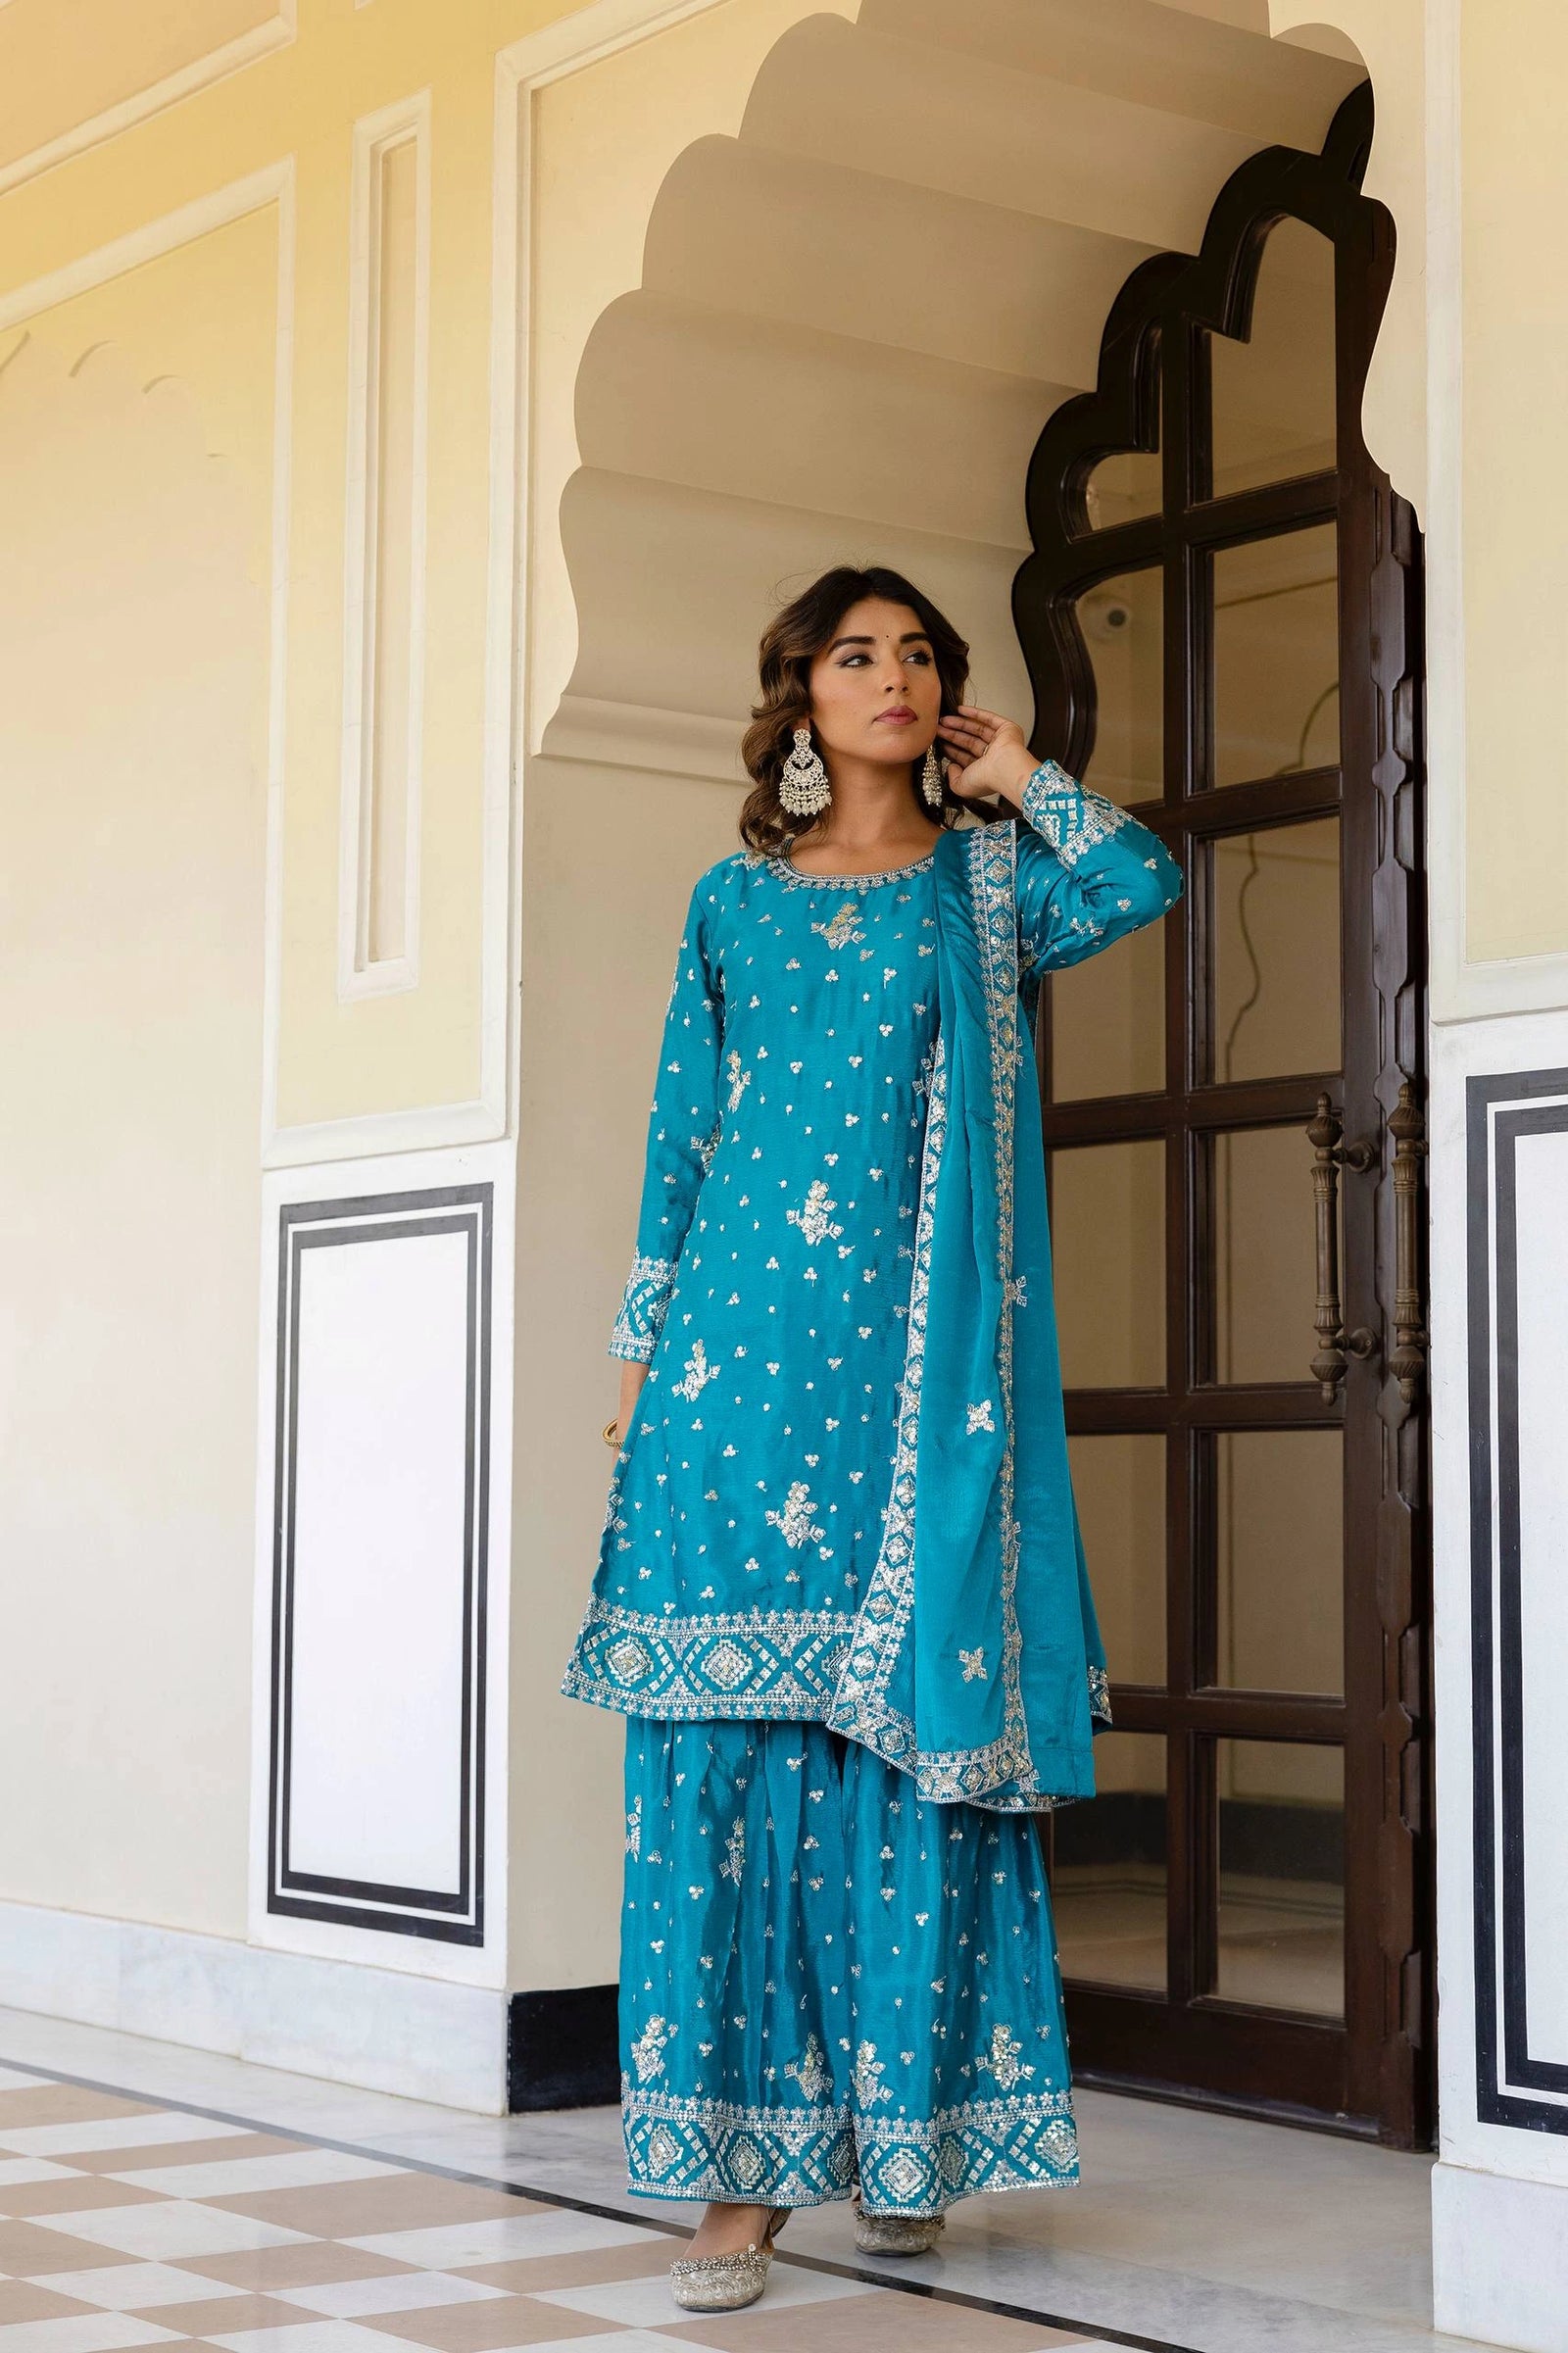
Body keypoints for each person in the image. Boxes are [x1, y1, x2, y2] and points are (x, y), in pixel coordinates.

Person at [562, 563, 1182, 2314]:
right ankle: (734, 2197)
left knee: (904, 1747)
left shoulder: (988, 889)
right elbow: (685, 1142)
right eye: (859, 654)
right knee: (731, 1757)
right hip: (726, 1383)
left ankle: (902, 2144)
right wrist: (634, 1358)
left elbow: (1140, 877)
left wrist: (1029, 778)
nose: (894, 677)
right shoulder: (731, 904)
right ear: (802, 697)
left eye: (920, 656)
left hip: (918, 1397)